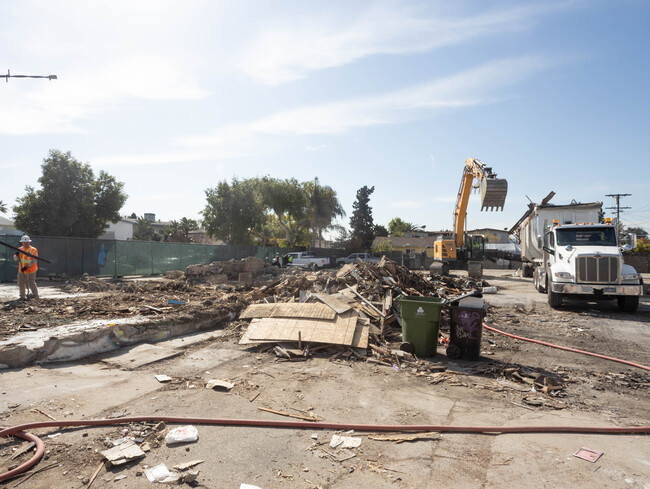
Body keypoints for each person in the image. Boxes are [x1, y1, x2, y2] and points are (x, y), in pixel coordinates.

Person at [13, 235, 39, 300]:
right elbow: (15, 259)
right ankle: (22, 296)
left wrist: (26, 267)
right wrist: (16, 255)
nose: (25, 243)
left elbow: (34, 260)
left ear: (29, 242)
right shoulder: (20, 249)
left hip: (31, 270)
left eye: (27, 242)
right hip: (21, 270)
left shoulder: (33, 250)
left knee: (31, 283)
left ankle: (36, 296)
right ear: (22, 243)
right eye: (24, 242)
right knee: (21, 283)